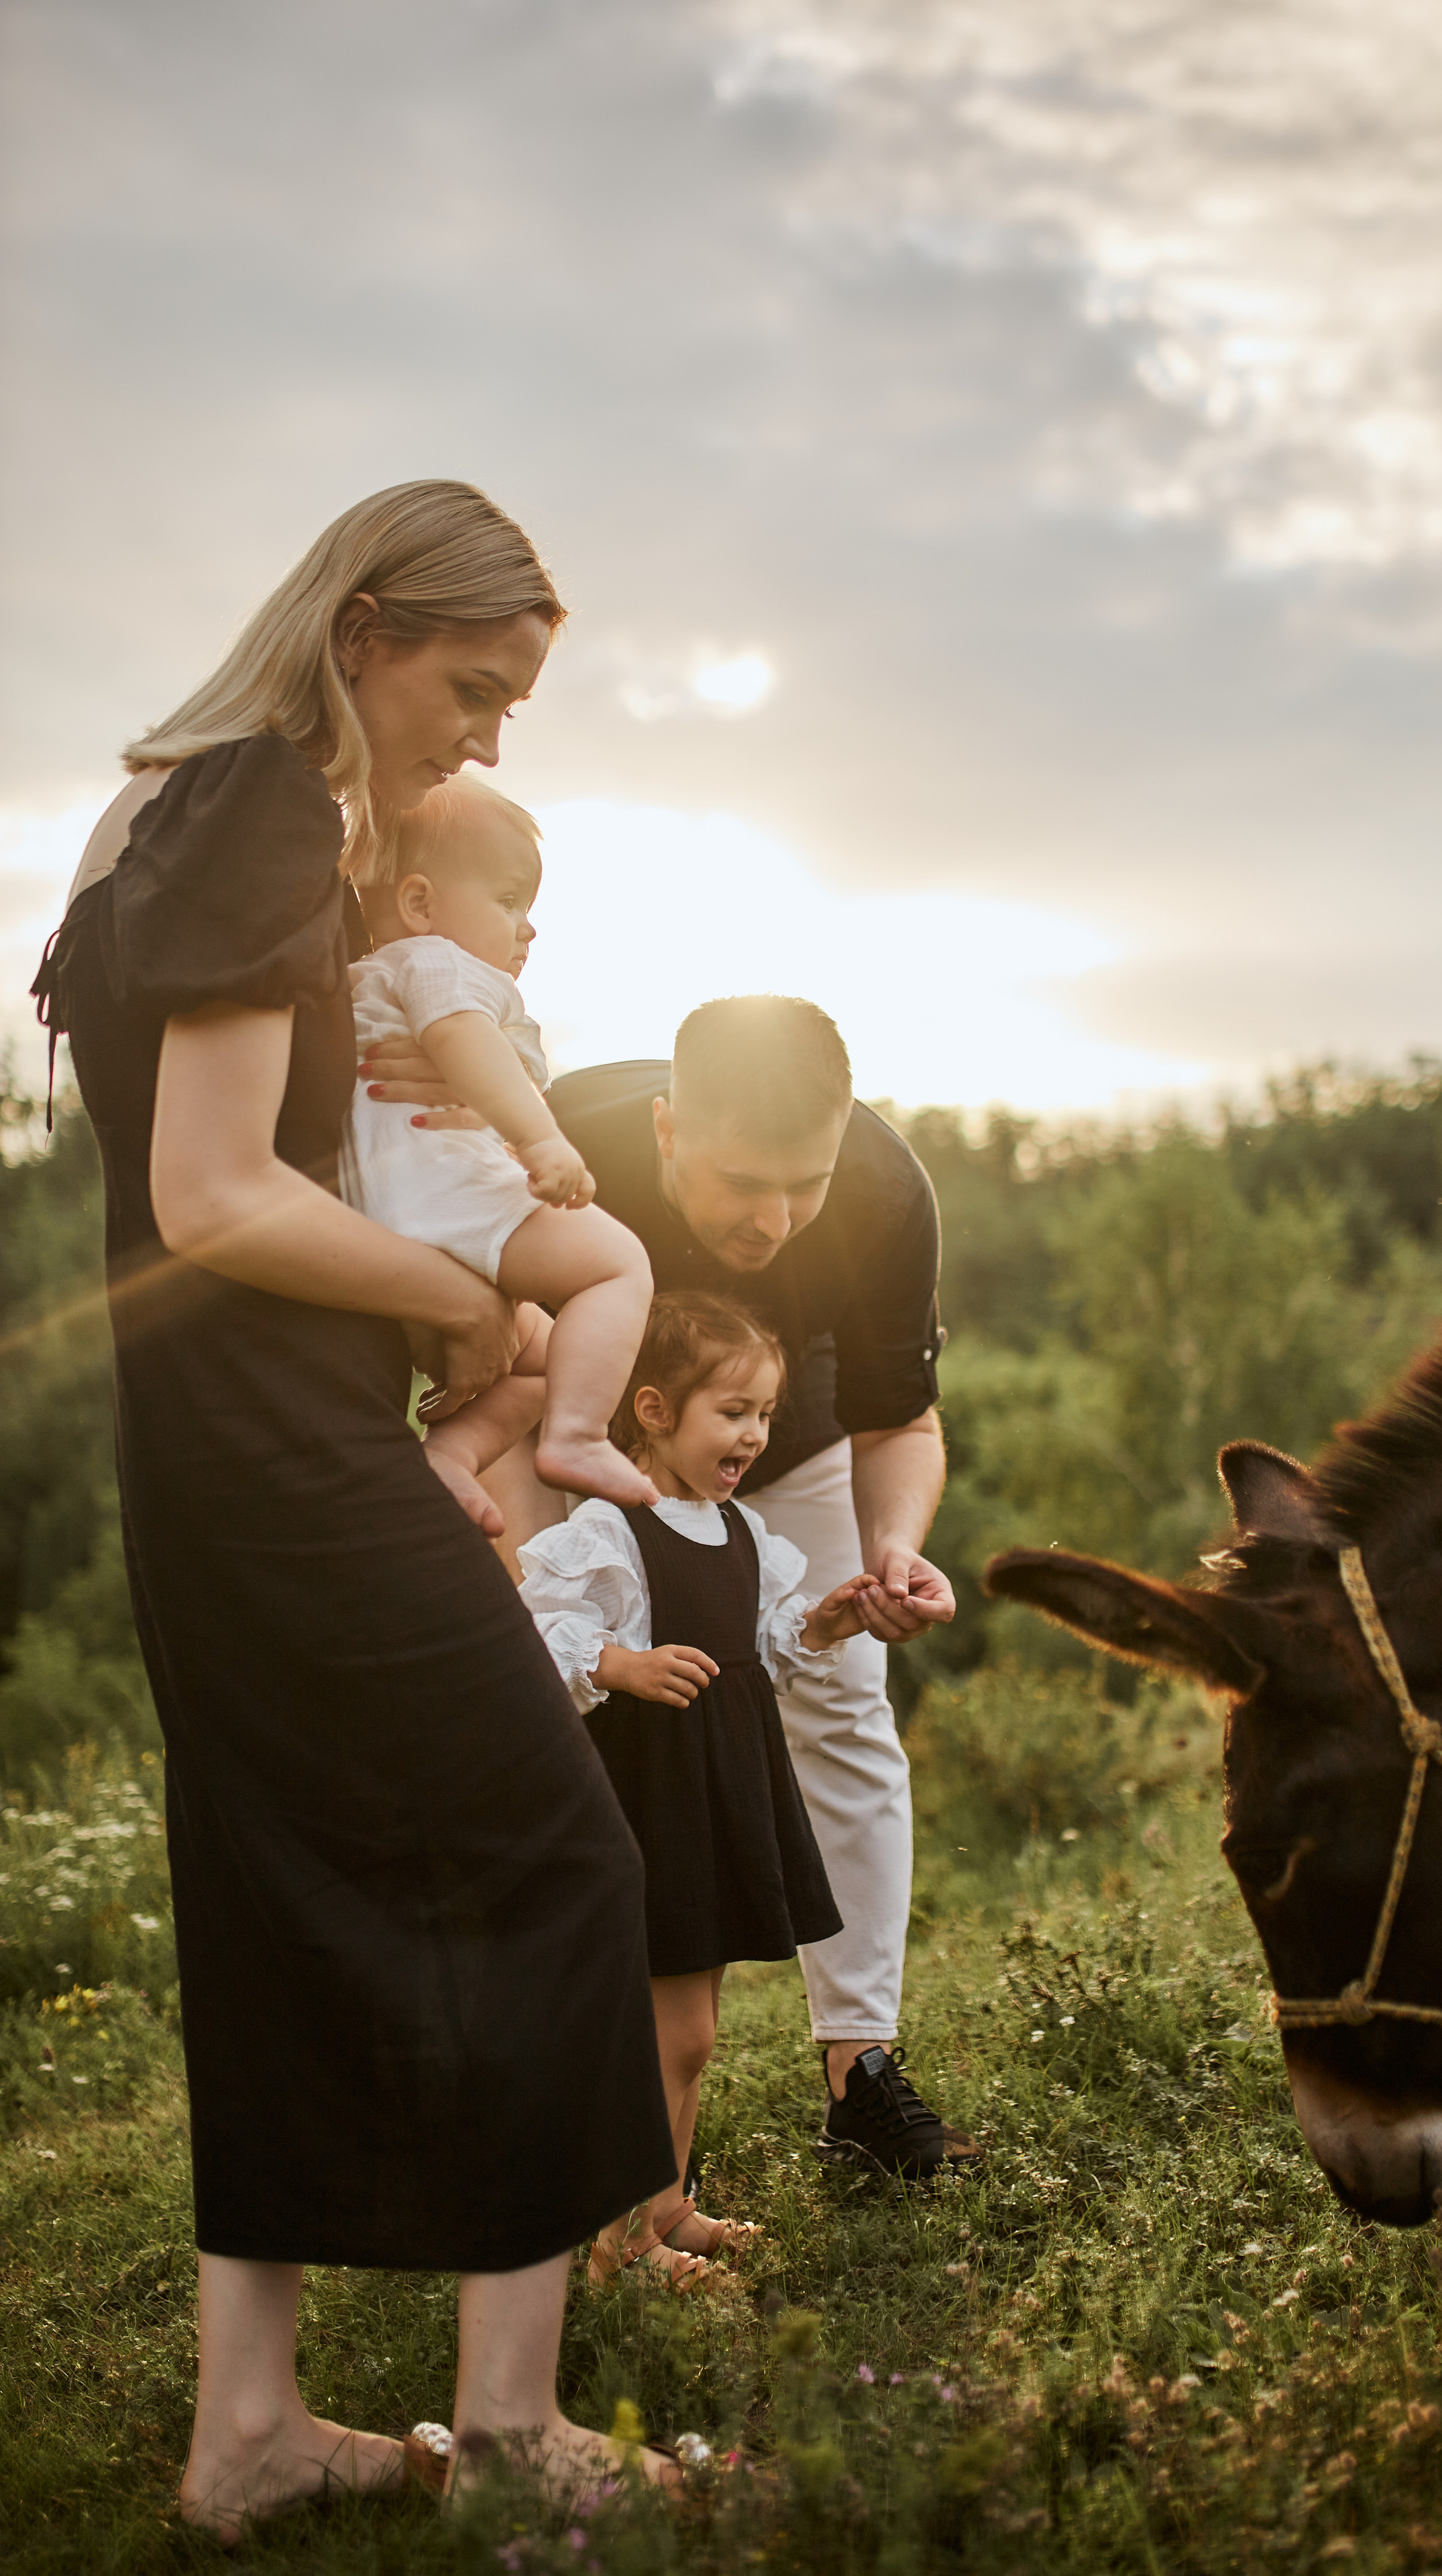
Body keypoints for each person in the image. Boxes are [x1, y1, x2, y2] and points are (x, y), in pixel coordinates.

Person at [30, 480, 678, 2544]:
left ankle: (250, 2433)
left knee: (280, 1890)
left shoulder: (164, 806)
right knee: (557, 1853)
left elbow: (223, 1156)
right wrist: (462, 1300)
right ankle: (516, 2434)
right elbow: (212, 1194)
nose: (482, 742)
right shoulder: (262, 810)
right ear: (368, 631)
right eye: (475, 691)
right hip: (283, 1452)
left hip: (212, 1451)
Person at [367, 993, 978, 2178]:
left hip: (784, 1442)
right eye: (744, 1182)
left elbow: (900, 1420)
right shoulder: (552, 1134)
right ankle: (577, 2079)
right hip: (579, 1441)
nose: (776, 1220)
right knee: (560, 1717)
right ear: (665, 1129)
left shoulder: (886, 1193)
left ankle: (861, 2072)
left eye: (804, 1184)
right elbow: (479, 1338)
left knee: (844, 1703)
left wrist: (893, 1550)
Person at [517, 1291, 881, 2287]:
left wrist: (825, 1625)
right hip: (649, 1796)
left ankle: (666, 2204)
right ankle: (623, 2245)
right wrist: (620, 1663)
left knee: (693, 2030)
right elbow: (537, 1632)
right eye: (733, 1412)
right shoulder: (612, 1526)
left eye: (764, 1413)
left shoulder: (744, 1531)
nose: (754, 1434)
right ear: (653, 1410)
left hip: (720, 1796)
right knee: (671, 2036)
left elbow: (764, 1646)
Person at [339, 772, 655, 1511]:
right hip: (447, 1195)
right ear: (420, 904)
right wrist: (541, 1139)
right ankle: (579, 1435)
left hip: (385, 1216)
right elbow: (462, 1041)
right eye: (510, 901)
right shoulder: (437, 962)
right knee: (618, 1268)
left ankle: (450, 1458)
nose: (527, 928)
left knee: (541, 1358)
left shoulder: (368, 982)